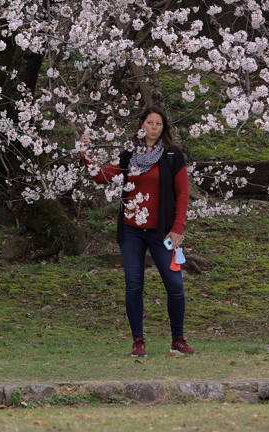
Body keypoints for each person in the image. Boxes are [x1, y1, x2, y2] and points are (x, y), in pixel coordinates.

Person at [80, 106, 194, 358]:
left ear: (163, 128)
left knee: (175, 285)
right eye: (149, 123)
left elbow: (182, 193)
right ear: (141, 125)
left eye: (158, 124)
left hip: (162, 232)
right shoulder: (128, 155)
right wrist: (85, 152)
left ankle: (178, 339)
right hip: (131, 231)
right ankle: (138, 341)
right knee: (133, 286)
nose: (154, 128)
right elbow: (100, 177)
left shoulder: (173, 155)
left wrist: (177, 229)